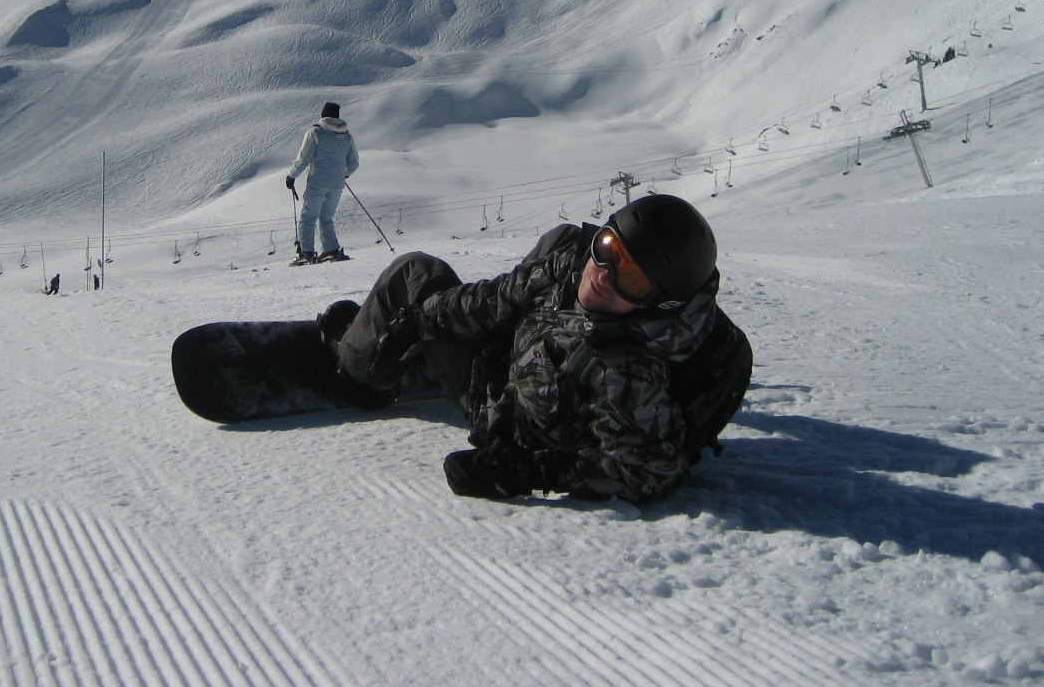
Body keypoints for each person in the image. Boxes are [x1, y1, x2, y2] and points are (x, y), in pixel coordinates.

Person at [320, 193, 747, 503]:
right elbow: (495, 299)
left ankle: (359, 378)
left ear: (658, 304)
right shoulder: (572, 263)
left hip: (498, 407)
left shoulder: (625, 367)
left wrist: (523, 470)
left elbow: (647, 471)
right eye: (609, 247)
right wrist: (419, 319)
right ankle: (381, 340)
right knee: (548, 241)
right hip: (511, 356)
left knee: (411, 270)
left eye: (631, 279)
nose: (603, 273)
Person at [284, 101, 359, 264]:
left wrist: (291, 176)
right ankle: (331, 250)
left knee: (308, 217)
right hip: (337, 185)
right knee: (326, 217)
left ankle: (306, 253)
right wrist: (344, 175)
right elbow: (354, 164)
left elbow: (303, 159)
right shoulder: (347, 136)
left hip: (318, 182)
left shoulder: (316, 132)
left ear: (323, 115)